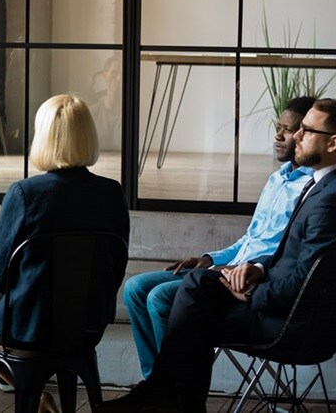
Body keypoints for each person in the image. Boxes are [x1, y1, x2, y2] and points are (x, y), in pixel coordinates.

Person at [98, 98, 336, 412]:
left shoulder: (334, 198)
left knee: (189, 302)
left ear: (334, 142)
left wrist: (249, 290)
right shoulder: (325, 187)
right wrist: (257, 269)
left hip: (290, 323)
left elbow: (306, 283)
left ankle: (166, 394)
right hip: (271, 292)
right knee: (192, 285)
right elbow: (283, 255)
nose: (295, 137)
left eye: (305, 130)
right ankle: (166, 392)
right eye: (294, 129)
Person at [123, 96, 315, 379]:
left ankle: (175, 390)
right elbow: (250, 238)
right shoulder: (276, 180)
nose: (278, 135)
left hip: (245, 282)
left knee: (160, 297)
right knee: (135, 288)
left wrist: (240, 270)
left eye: (288, 129)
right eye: (279, 126)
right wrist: (210, 258)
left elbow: (286, 255)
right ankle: (156, 384)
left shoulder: (311, 189)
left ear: (304, 135)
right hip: (221, 270)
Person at [0, 94, 129, 410]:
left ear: (42, 137)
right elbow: (115, 270)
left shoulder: (24, 194)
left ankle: (33, 395)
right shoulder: (112, 194)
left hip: (29, 326)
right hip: (88, 326)